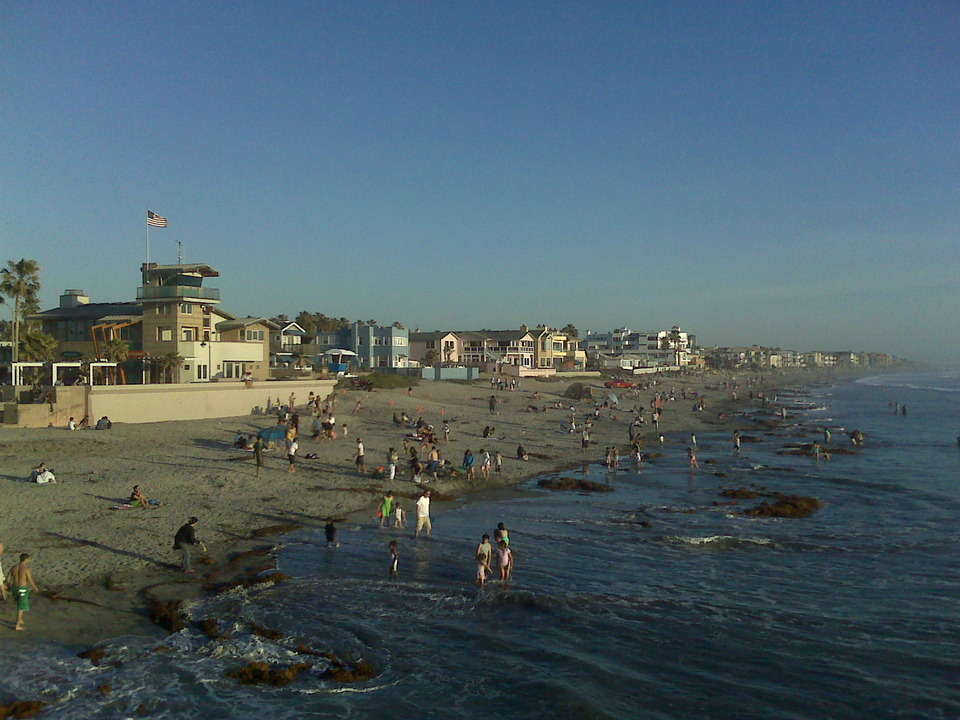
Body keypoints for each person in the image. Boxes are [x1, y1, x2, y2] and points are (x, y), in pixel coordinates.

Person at [6, 553, 39, 631]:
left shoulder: (13, 567)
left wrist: (7, 587)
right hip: (22, 588)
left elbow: (8, 580)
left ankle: (20, 620)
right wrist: (35, 587)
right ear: (26, 559)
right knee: (21, 607)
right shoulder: (26, 569)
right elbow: (30, 580)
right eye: (29, 559)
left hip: (15, 588)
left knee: (19, 603)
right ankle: (17, 625)